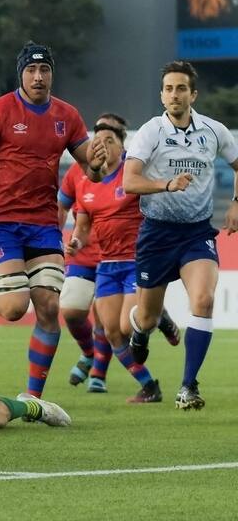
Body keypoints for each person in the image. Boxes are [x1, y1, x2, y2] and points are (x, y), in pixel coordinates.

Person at [0, 41, 105, 398]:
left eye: (44, 70)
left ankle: (33, 397)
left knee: (49, 307)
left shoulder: (67, 116)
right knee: (14, 309)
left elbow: (91, 174)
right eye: (31, 70)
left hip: (44, 224)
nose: (38, 76)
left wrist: (96, 162)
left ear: (52, 74)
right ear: (21, 74)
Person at [123, 60, 238, 410]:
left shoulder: (214, 131)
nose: (175, 94)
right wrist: (166, 184)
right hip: (156, 234)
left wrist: (235, 203)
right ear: (162, 95)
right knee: (147, 316)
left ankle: (188, 386)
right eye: (169, 89)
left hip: (196, 233)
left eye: (181, 88)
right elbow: (129, 182)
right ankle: (143, 328)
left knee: (203, 301)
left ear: (193, 94)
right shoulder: (150, 132)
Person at [58, 114, 180, 393]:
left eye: (109, 141)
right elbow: (83, 227)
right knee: (113, 332)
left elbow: (161, 202)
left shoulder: (133, 175)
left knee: (127, 325)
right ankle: (149, 386)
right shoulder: (86, 180)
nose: (102, 146)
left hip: (136, 261)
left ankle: (158, 314)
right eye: (97, 142)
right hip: (106, 264)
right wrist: (76, 242)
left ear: (122, 147)